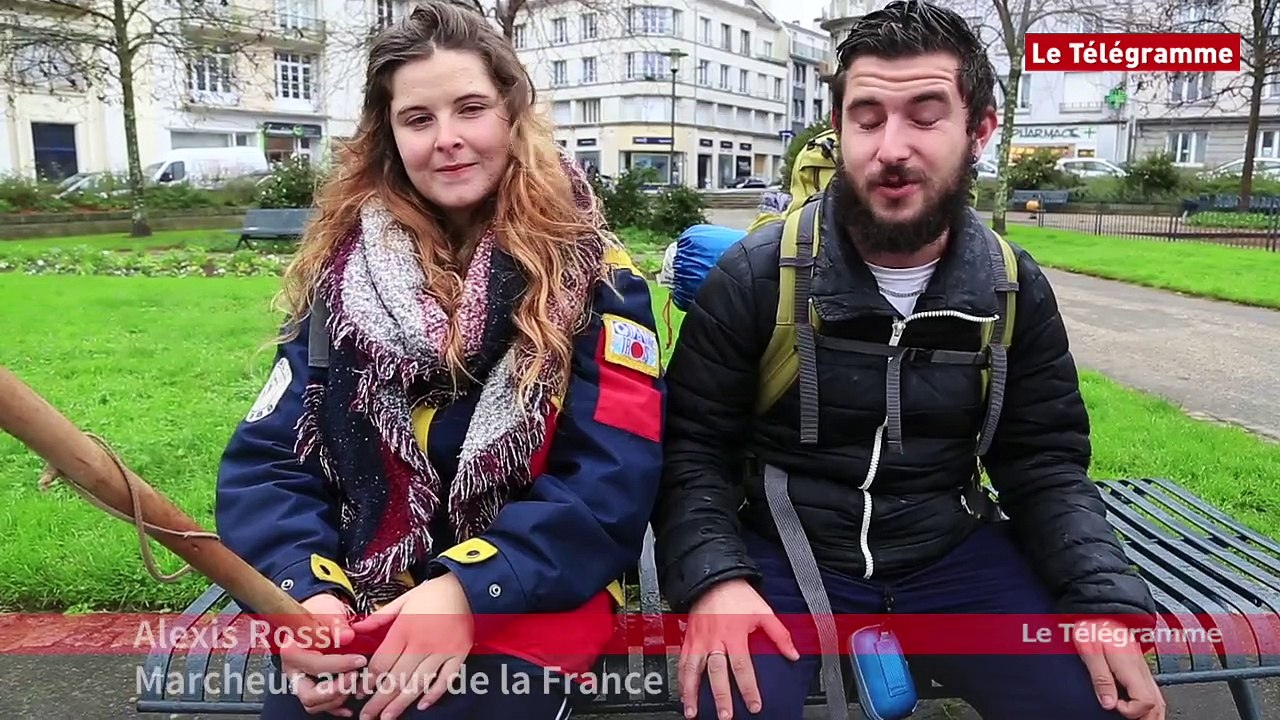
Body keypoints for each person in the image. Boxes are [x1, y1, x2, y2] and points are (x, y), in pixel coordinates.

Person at [651, 3, 1166, 720]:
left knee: (1098, 702)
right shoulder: (758, 277)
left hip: (955, 554)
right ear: (839, 129)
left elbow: (1043, 463)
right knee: (729, 704)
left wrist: (1100, 598)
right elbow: (689, 450)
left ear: (979, 130)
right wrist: (714, 581)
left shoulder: (1012, 290)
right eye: (867, 117)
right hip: (782, 557)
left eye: (925, 116)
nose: (891, 146)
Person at [214, 3, 665, 718]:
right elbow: (267, 464)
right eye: (418, 119)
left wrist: (463, 591)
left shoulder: (600, 282)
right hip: (362, 589)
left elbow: (613, 482)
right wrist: (306, 594)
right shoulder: (342, 282)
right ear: (390, 138)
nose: (448, 139)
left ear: (513, 117)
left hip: (529, 592)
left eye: (471, 108)